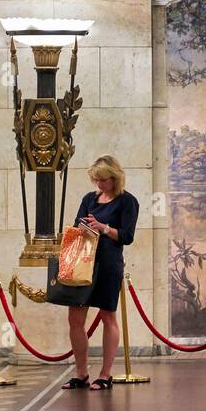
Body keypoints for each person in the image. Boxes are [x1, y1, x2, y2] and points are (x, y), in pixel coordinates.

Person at [61, 155, 139, 391]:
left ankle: (105, 374)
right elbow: (78, 226)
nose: (99, 185)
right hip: (83, 262)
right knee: (75, 318)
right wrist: (85, 227)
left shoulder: (127, 201)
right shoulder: (89, 199)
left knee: (108, 317)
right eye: (96, 180)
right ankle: (81, 372)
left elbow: (127, 236)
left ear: (115, 178)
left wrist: (103, 228)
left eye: (103, 180)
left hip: (108, 264)